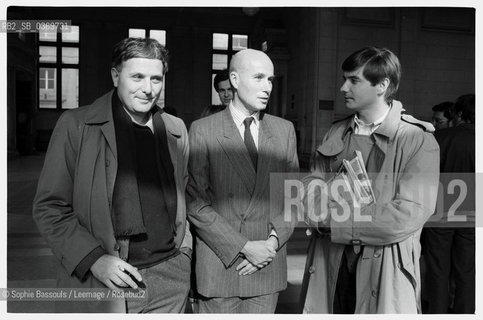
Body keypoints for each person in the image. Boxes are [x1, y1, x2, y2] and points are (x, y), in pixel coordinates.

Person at [33, 38, 192, 313]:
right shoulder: (77, 125)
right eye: (137, 77)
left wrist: (184, 255)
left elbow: (186, 195)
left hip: (171, 278)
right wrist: (94, 259)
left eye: (156, 78)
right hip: (106, 280)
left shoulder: (175, 129)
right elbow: (50, 208)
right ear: (116, 75)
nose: (148, 89)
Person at [301, 46, 440, 313]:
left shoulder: (417, 140)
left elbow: (407, 214)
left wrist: (331, 221)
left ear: (382, 85)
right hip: (332, 260)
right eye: (345, 78)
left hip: (385, 265)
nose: (343, 87)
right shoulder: (336, 131)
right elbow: (309, 189)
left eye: (354, 80)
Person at [187, 49, 299, 313]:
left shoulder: (284, 131)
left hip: (266, 266)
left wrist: (270, 245)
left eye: (270, 80)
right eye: (259, 77)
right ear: (235, 80)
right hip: (221, 263)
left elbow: (293, 197)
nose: (267, 87)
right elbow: (195, 202)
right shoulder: (204, 130)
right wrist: (245, 247)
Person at [423, 94, 475, 314]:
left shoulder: (440, 138)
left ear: (459, 114)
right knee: (467, 270)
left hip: (440, 211)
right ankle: (465, 312)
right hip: (473, 213)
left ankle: (437, 312)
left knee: (437, 270)